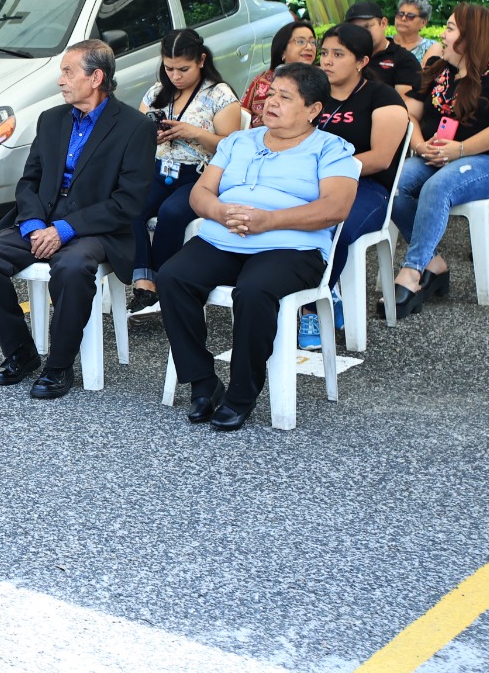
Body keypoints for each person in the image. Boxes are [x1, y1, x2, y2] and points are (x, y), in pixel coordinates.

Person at [158, 62, 359, 431]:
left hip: (292, 247)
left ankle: (241, 394)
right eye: (271, 93)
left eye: (286, 97)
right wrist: (220, 212)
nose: (271, 102)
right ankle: (203, 381)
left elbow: (336, 207)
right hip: (224, 237)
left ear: (313, 109)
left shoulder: (331, 149)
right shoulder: (239, 142)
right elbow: (201, 193)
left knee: (253, 291)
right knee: (172, 277)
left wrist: (269, 221)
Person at [0, 40, 156, 398]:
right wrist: (35, 224)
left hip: (97, 227)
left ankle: (59, 364)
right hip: (43, 219)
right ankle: (21, 352)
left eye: (68, 71)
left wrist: (65, 229)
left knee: (71, 266)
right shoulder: (51, 119)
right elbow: (29, 182)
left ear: (96, 77)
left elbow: (128, 202)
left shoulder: (134, 127)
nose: (60, 80)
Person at [391, 4, 489, 316]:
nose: (443, 34)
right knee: (395, 186)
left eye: (451, 28)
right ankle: (433, 263)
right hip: (435, 157)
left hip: (488, 163)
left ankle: (413, 272)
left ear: (471, 36)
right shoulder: (438, 70)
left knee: (437, 187)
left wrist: (462, 149)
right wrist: (420, 145)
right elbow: (408, 115)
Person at [299, 23, 410, 349]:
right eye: (324, 53)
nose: (327, 61)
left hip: (369, 188)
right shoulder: (313, 95)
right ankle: (322, 294)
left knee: (336, 227)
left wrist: (327, 171)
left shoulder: (382, 97)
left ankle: (311, 307)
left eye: (338, 55)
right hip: (313, 182)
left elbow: (380, 158)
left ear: (362, 61)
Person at [125, 29, 241, 314]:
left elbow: (232, 147)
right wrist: (151, 135)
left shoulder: (219, 94)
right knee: (129, 206)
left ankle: (164, 281)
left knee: (173, 212)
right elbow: (136, 132)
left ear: (201, 60)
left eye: (183, 69)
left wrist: (194, 133)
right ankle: (143, 281)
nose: (175, 76)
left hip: (201, 174)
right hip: (160, 169)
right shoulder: (157, 91)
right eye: (169, 68)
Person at [344, 0, 423, 117]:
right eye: (355, 29)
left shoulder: (404, 59)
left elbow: (403, 107)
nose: (361, 34)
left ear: (383, 23)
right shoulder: (345, 57)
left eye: (367, 27)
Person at [242, 20, 316, 127]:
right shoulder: (263, 79)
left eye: (313, 42)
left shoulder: (321, 81)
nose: (309, 47)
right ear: (283, 50)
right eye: (300, 42)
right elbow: (244, 113)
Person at [394, 0, 441, 65]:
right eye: (400, 14)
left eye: (410, 16)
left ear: (423, 22)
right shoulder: (384, 42)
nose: (403, 18)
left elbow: (425, 72)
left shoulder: (431, 47)